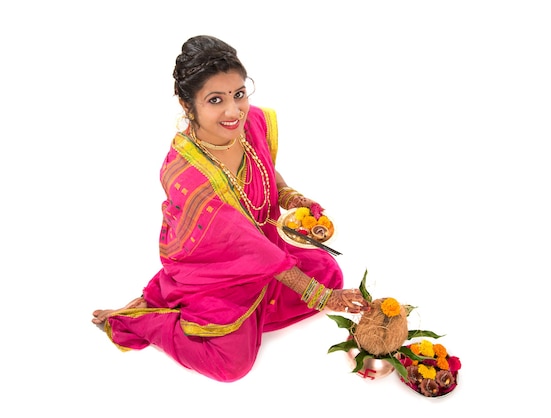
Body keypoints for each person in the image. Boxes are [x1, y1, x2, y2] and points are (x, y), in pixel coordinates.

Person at [92, 35, 369, 382]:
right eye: (215, 100)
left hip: (264, 248)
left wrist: (289, 196)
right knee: (231, 365)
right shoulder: (190, 174)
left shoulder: (247, 123)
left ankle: (248, 312)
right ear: (186, 104)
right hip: (216, 268)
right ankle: (148, 320)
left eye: (239, 94)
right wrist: (320, 296)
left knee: (329, 271)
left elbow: (264, 168)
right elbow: (246, 246)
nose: (233, 111)